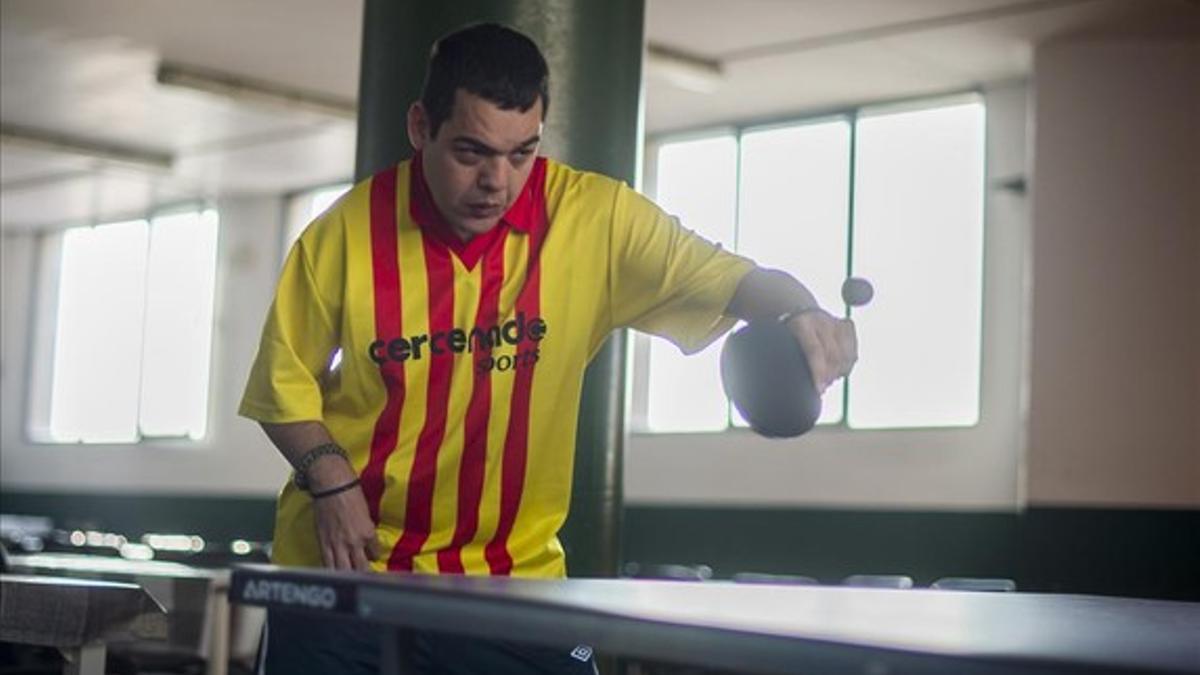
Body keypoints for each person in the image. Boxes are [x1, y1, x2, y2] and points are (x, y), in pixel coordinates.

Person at [239, 22, 857, 675]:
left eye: (521, 153)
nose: (496, 181)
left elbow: (737, 279)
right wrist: (333, 482)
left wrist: (801, 310)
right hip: (345, 571)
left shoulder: (596, 220)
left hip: (515, 579)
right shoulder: (342, 234)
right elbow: (283, 387)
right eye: (472, 152)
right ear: (421, 127)